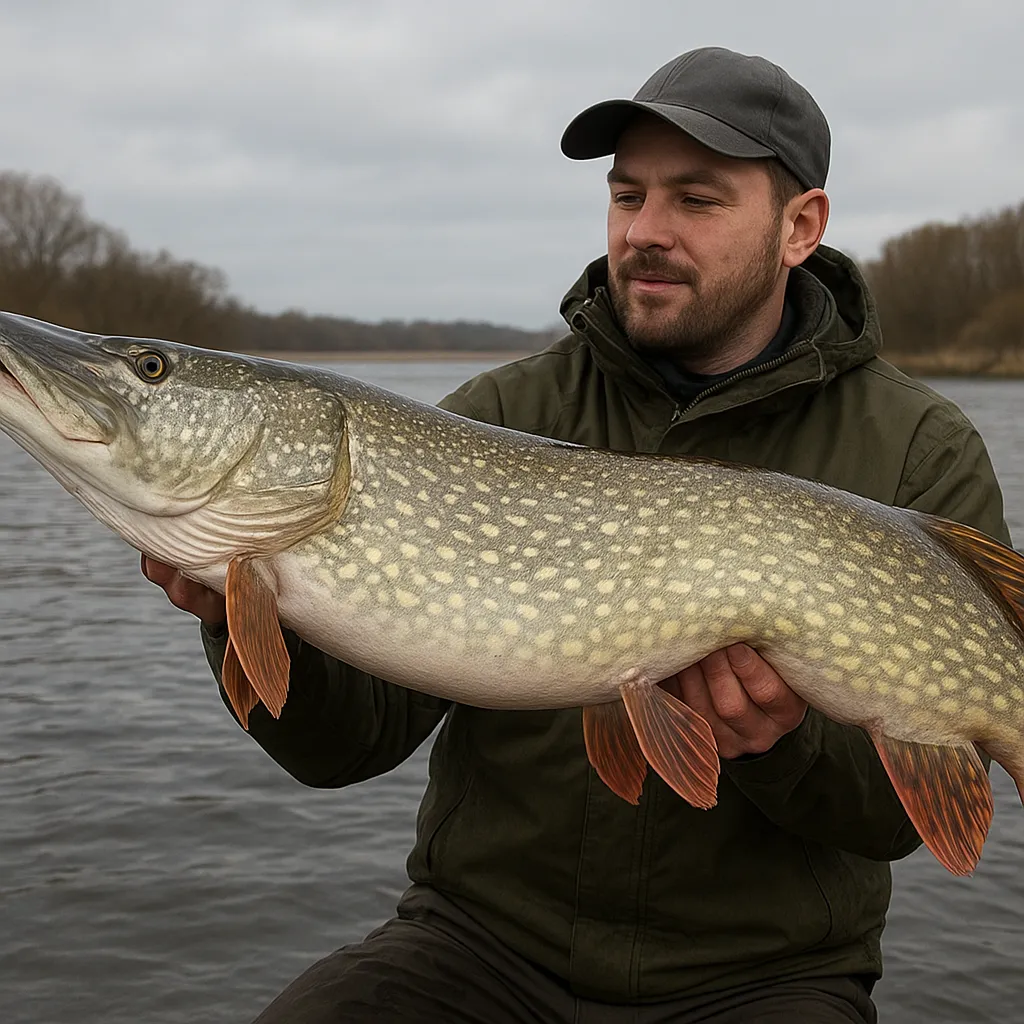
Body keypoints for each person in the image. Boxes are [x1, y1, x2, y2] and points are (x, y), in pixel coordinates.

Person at [143, 47, 1010, 1023]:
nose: (644, 231)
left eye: (695, 199)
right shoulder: (503, 410)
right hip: (479, 945)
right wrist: (239, 617)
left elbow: (903, 813)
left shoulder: (915, 448)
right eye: (627, 194)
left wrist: (780, 743)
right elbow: (346, 744)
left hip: (765, 976)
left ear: (799, 226)